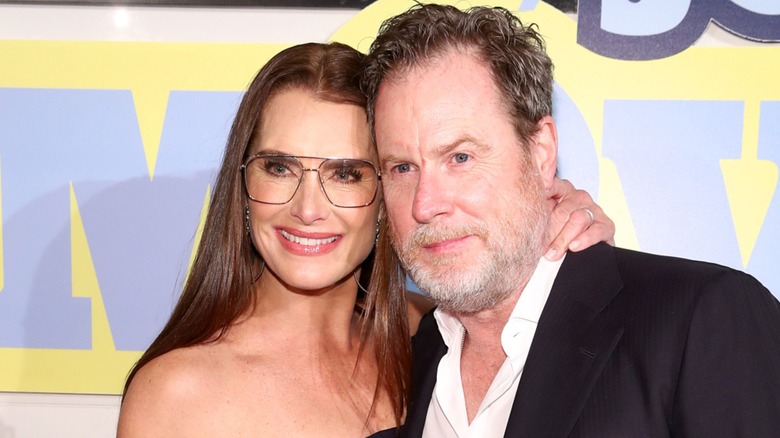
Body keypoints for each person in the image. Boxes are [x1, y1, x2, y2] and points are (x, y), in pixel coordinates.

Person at [117, 42, 613, 437]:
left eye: (346, 174)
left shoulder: (438, 336)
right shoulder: (178, 393)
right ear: (243, 183)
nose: (307, 209)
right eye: (279, 167)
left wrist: (567, 239)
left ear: (388, 192)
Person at [360, 4, 780, 437]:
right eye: (402, 168)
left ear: (541, 153)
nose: (425, 204)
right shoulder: (413, 356)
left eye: (460, 157)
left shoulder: (700, 319)